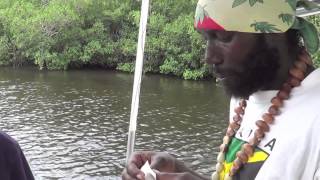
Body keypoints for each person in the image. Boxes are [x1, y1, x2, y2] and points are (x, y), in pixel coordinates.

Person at [122, 0, 320, 180]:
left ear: (274, 32)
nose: (209, 57)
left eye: (224, 37)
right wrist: (176, 167)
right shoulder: (245, 98)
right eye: (207, 39)